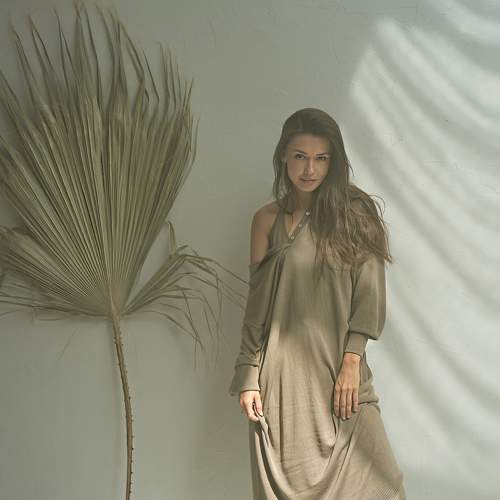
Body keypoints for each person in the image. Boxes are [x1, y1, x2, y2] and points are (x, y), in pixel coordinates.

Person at [228, 108, 407, 499]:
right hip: (282, 385)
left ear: (333, 161)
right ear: (283, 156)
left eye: (321, 158)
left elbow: (369, 294)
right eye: (300, 156)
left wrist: (352, 361)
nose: (310, 169)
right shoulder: (266, 220)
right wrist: (247, 375)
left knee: (385, 486)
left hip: (341, 375)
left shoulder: (356, 215)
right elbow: (257, 307)